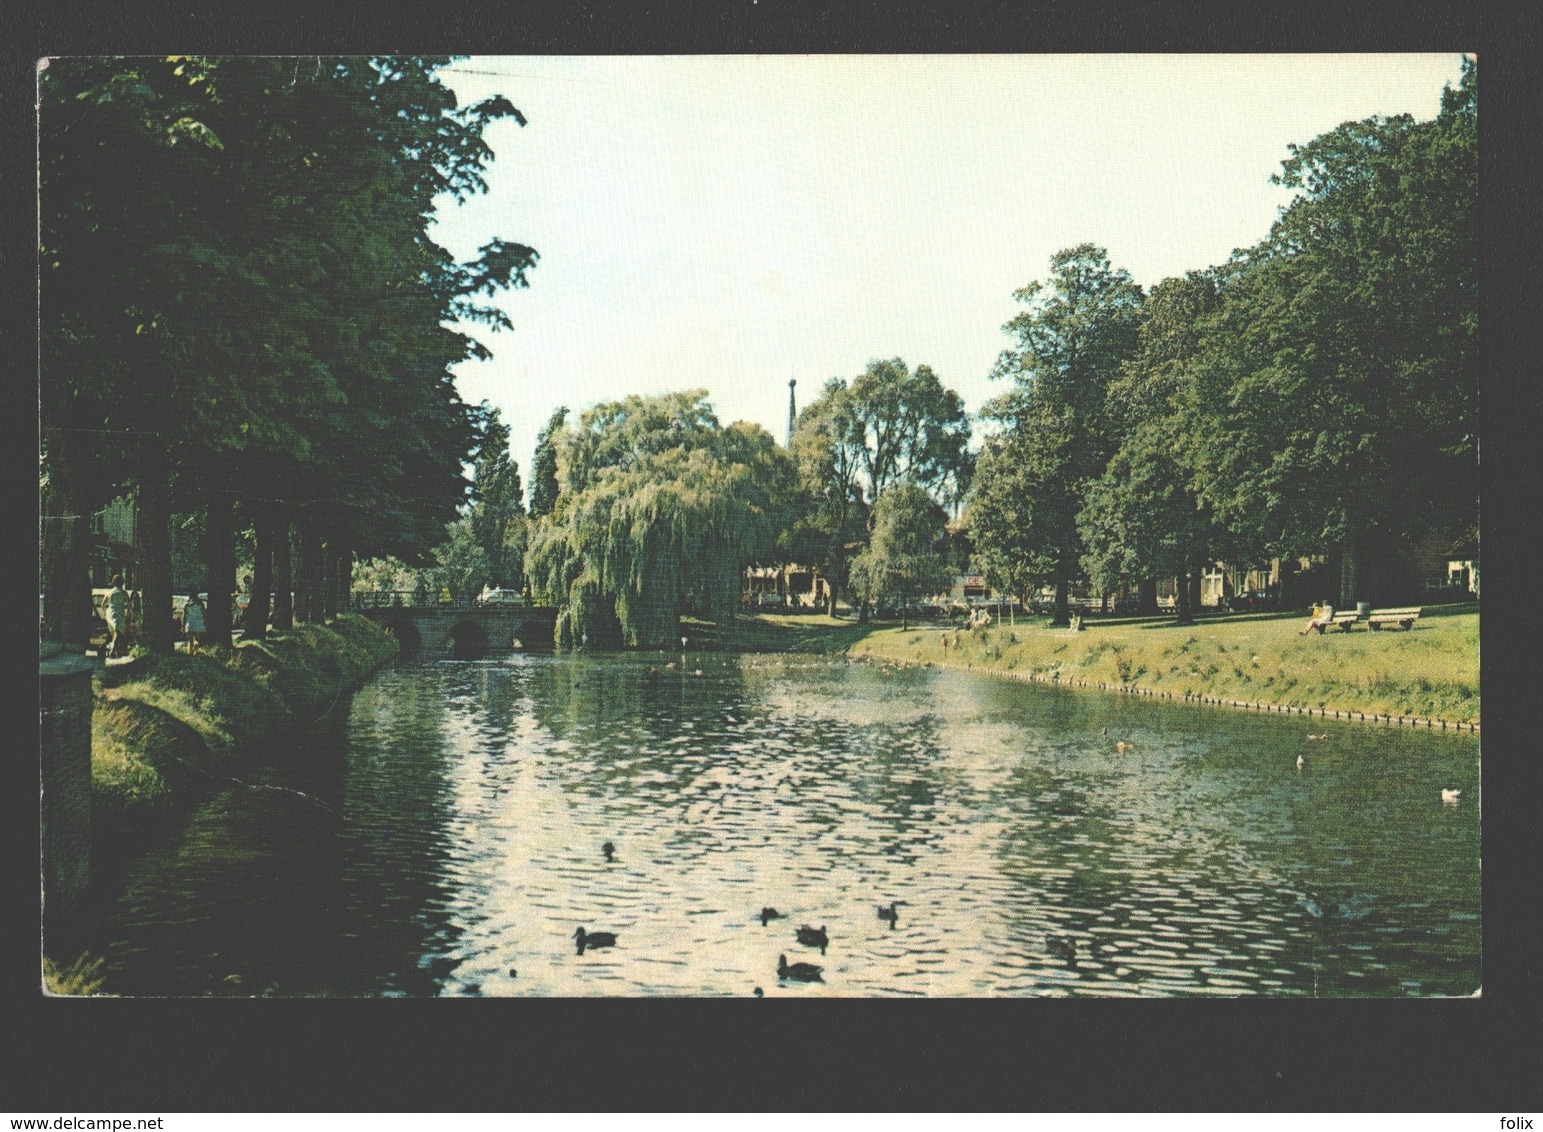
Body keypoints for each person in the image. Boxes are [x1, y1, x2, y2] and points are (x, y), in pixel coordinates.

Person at [101, 575, 129, 657]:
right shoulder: (124, 593)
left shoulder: (109, 593)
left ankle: (115, 650)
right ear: (122, 583)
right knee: (118, 632)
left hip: (110, 614)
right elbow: (128, 604)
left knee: (114, 633)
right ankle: (113, 651)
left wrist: (105, 613)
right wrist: (128, 612)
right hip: (119, 614)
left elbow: (103, 604)